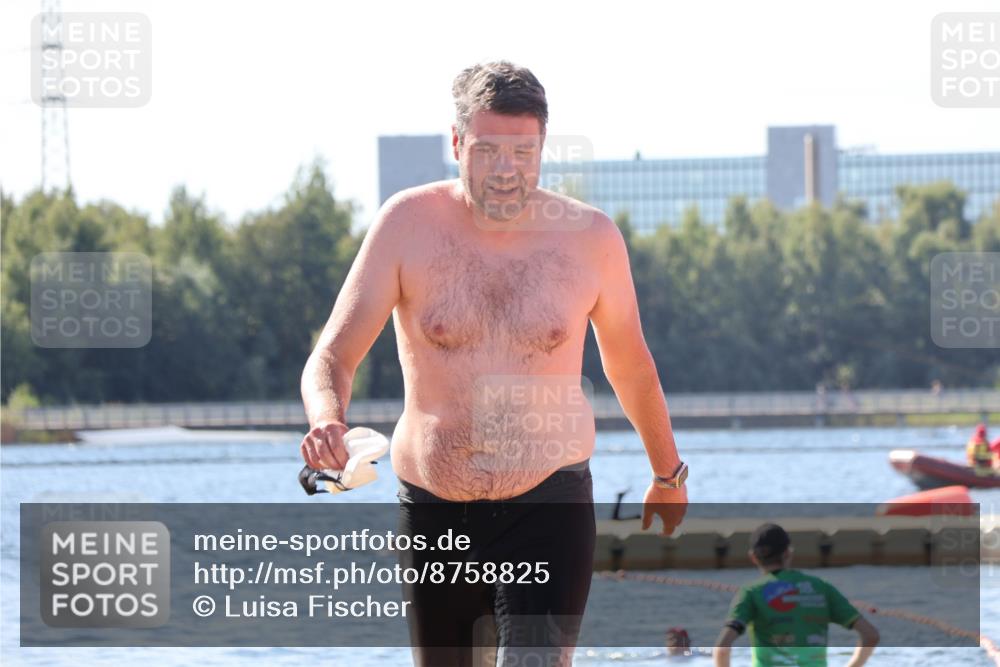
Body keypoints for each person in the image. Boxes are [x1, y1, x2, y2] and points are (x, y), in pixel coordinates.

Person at [299, 60, 687, 666]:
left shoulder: (590, 239)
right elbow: (333, 354)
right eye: (487, 151)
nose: (506, 170)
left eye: (522, 152)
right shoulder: (406, 226)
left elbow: (631, 366)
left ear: (542, 149)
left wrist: (668, 475)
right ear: (458, 143)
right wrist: (327, 419)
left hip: (549, 505)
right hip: (434, 507)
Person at [712, 523, 879, 667]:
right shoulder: (821, 587)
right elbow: (871, 636)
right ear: (788, 553)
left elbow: (722, 648)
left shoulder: (751, 592)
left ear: (754, 557)